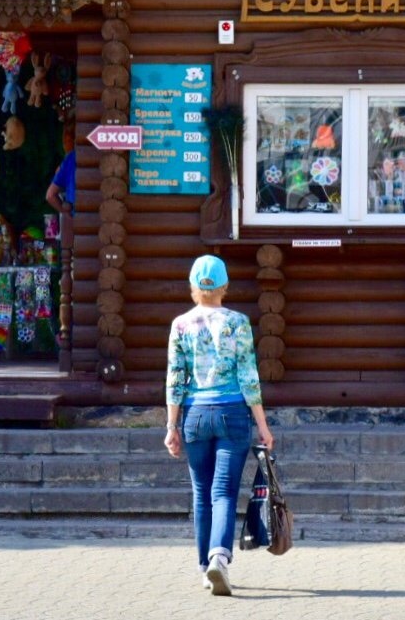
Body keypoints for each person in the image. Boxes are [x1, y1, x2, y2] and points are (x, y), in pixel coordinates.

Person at [164, 255, 275, 597]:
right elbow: (248, 377)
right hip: (232, 414)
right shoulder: (238, 322)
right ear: (225, 287)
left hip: (195, 415)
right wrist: (263, 426)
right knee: (224, 491)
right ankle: (219, 559)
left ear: (194, 287)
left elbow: (175, 378)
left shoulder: (180, 325)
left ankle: (204, 567)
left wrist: (171, 425)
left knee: (202, 493)